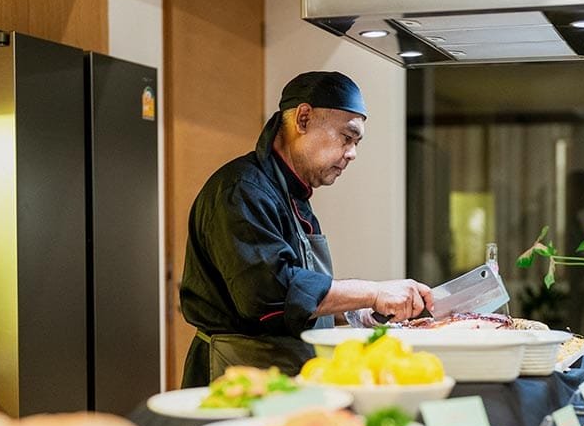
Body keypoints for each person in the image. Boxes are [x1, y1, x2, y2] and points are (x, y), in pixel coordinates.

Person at [180, 71, 433, 387]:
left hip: (279, 372)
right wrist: (375, 292)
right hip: (233, 376)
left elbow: (299, 303)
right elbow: (271, 296)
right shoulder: (242, 190)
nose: (352, 153)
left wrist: (357, 312)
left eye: (356, 142)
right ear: (303, 119)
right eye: (346, 137)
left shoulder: (293, 195)